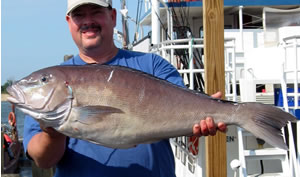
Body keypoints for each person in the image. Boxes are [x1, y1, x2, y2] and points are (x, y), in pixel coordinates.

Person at [23, 0, 227, 176]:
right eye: (79, 15)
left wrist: (210, 110)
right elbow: (43, 161)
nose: (87, 21)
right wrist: (53, 133)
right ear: (69, 23)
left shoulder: (153, 65)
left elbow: (184, 106)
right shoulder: (52, 83)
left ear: (112, 17)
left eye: (96, 12)